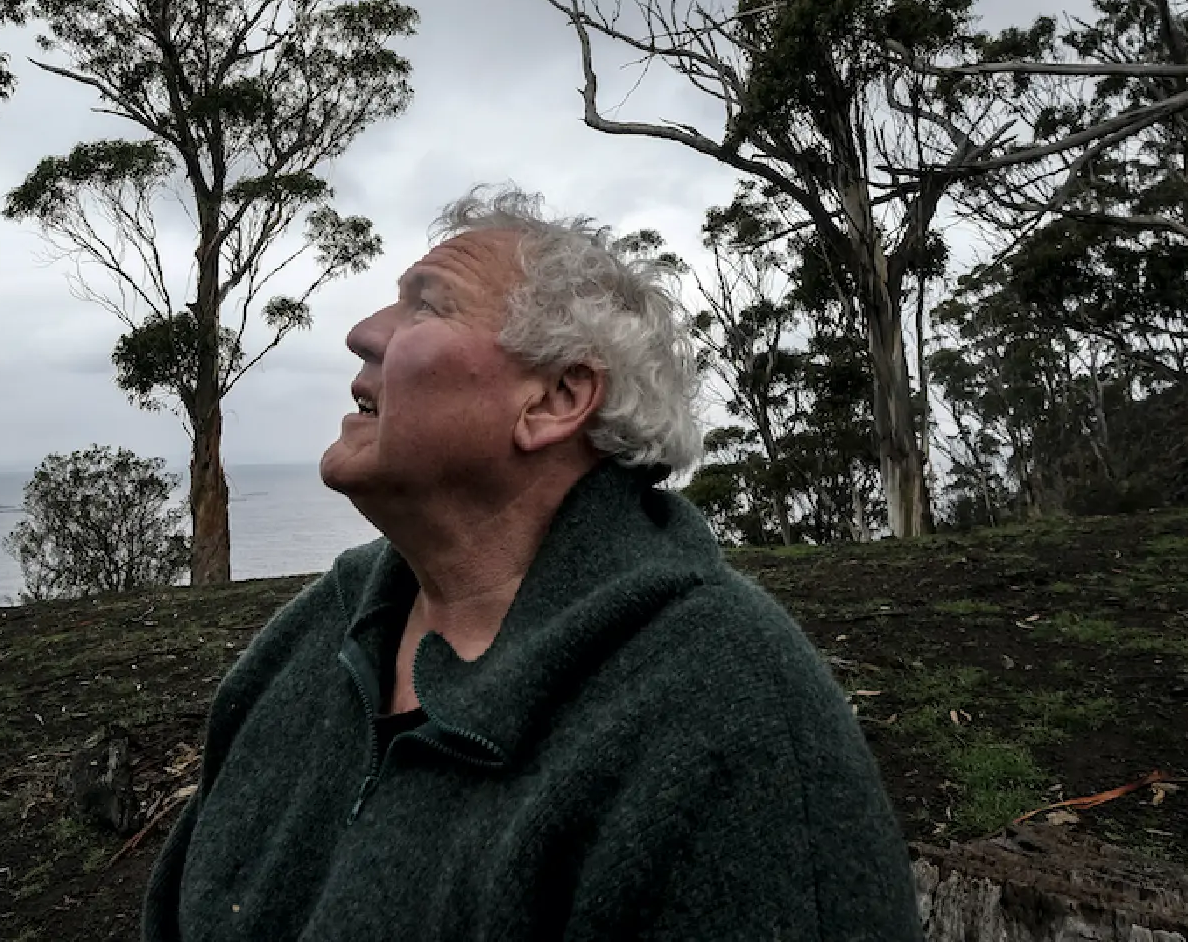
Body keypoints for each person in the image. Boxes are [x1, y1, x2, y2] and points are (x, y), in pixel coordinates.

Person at [142, 188, 923, 940]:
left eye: (427, 303)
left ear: (555, 399)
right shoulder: (311, 640)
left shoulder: (724, 715)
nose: (364, 332)